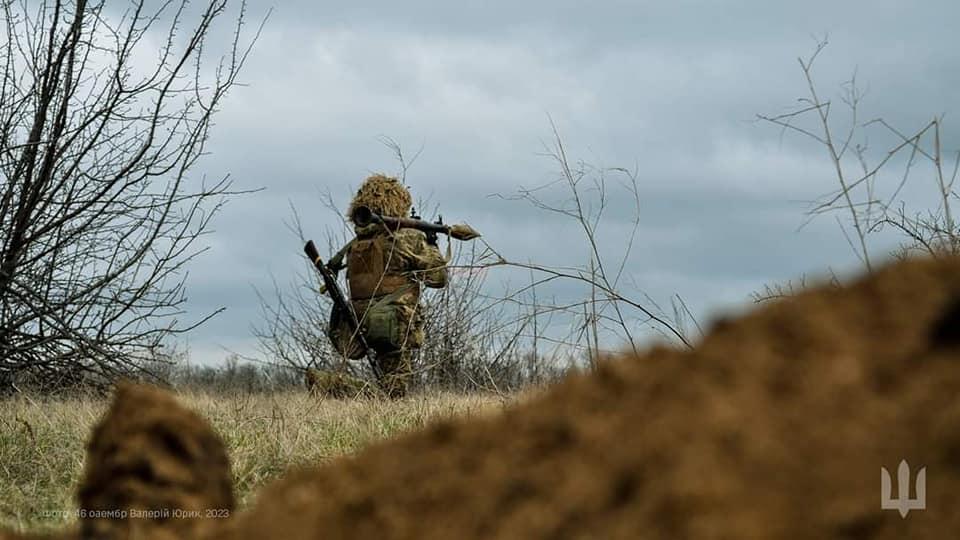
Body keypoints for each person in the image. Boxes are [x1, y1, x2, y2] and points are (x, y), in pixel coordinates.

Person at [326, 174, 448, 397]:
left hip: (359, 321)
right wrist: (431, 244)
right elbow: (438, 279)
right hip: (394, 321)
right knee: (395, 388)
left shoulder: (357, 245)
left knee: (385, 383)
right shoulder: (406, 238)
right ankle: (334, 387)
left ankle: (347, 392)